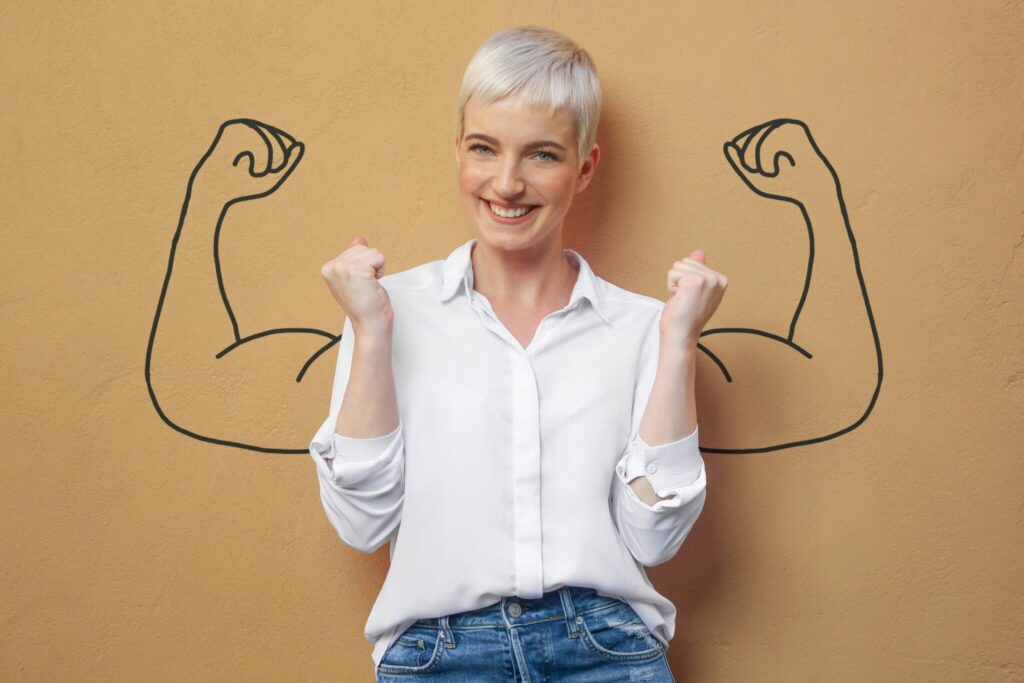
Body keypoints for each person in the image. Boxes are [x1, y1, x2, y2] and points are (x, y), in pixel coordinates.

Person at [309, 25, 727, 682]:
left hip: (606, 651)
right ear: (458, 151)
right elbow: (361, 523)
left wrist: (679, 341)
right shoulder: (386, 310)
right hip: (436, 657)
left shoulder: (644, 326)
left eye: (540, 155)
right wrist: (369, 333)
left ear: (584, 167)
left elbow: (654, 538)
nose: (506, 183)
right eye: (484, 148)